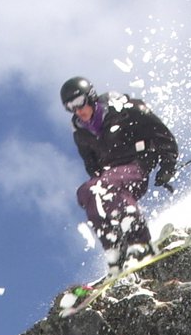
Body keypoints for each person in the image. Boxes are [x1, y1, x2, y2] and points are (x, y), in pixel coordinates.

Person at [62, 76, 179, 268]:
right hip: (110, 177)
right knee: (86, 191)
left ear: (90, 96)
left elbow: (160, 133)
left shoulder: (125, 109)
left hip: (137, 164)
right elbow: (92, 167)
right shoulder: (81, 134)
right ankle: (116, 250)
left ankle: (140, 243)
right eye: (70, 107)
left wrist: (167, 164)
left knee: (103, 185)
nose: (77, 110)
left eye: (78, 102)